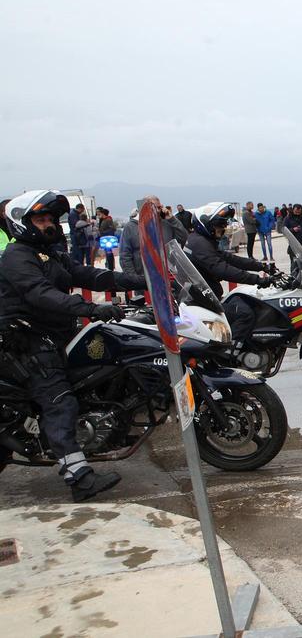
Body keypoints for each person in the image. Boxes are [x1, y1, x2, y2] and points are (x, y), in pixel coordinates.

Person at [0, 191, 145, 501]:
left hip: (53, 334)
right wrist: (91, 309)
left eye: (51, 219)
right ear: (21, 224)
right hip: (27, 341)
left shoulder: (49, 253)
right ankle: (79, 478)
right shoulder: (16, 256)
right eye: (41, 220)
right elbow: (40, 294)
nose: (49, 225)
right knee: (60, 401)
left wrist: (140, 280)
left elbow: (87, 274)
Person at [185, 203, 272, 303]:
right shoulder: (200, 244)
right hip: (204, 301)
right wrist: (258, 280)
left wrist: (261, 266)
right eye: (220, 225)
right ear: (206, 224)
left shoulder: (199, 240)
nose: (224, 228)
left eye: (224, 224)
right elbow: (224, 270)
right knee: (246, 313)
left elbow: (230, 259)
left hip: (204, 297)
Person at [120, 196, 188, 277]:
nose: (157, 210)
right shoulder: (131, 227)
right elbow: (125, 255)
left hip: (166, 276)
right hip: (143, 278)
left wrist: (172, 219)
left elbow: (182, 238)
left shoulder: (166, 224)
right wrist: (133, 277)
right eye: (153, 208)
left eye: (159, 207)